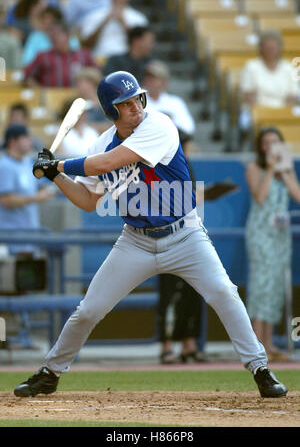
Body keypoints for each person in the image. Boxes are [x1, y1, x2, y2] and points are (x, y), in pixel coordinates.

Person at [14, 71, 287, 398]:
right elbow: (87, 201)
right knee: (88, 309)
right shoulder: (100, 144)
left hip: (184, 234)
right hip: (136, 240)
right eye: (124, 104)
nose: (135, 108)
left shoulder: (158, 125)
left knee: (224, 293)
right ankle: (50, 372)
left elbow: (108, 163)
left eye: (136, 99)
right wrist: (54, 177)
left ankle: (261, 369)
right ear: (111, 111)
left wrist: (58, 165)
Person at [245, 126, 300, 361]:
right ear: (260, 146)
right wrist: (269, 170)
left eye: (274, 142)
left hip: (280, 234)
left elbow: (297, 197)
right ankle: (256, 344)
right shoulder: (253, 167)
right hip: (260, 233)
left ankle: (268, 342)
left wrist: (285, 173)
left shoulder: (286, 169)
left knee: (275, 285)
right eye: (266, 142)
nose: (270, 147)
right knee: (261, 283)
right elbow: (260, 197)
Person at [158, 130, 205, 364]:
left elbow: (193, 199)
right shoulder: (156, 163)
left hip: (187, 233)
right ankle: (166, 345)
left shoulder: (187, 166)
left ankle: (189, 343)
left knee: (193, 290)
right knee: (169, 294)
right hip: (164, 236)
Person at [0, 124, 54, 254]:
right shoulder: (5, 166)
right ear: (13, 142)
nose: (30, 140)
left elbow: (42, 185)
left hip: (30, 235)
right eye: (25, 137)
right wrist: (37, 197)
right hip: (12, 238)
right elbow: (5, 200)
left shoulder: (27, 162)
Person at [239, 30, 299, 136]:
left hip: (283, 112)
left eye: (273, 47)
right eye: (267, 47)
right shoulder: (251, 66)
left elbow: (292, 96)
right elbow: (248, 96)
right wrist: (261, 114)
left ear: (279, 48)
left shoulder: (288, 67)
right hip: (259, 110)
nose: (270, 50)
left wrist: (284, 114)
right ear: (261, 48)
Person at [80, 0, 148, 60]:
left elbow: (142, 47)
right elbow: (86, 45)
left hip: (128, 62)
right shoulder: (94, 16)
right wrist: (104, 22)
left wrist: (123, 23)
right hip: (100, 60)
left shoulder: (139, 19)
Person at [24, 21, 96, 87]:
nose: (53, 38)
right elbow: (28, 77)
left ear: (67, 36)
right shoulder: (43, 56)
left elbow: (97, 75)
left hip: (79, 97)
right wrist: (41, 92)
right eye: (51, 35)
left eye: (57, 35)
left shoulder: (83, 55)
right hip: (51, 98)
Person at [143, 60, 195, 136]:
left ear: (164, 81)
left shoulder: (175, 102)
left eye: (154, 78)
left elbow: (188, 128)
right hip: (146, 140)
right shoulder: (137, 101)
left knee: (188, 144)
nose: (150, 81)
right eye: (148, 77)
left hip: (171, 140)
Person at [74, 67, 112, 132]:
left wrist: (88, 127)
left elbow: (112, 126)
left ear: (92, 83)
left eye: (81, 82)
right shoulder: (76, 103)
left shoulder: (106, 103)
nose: (77, 85)